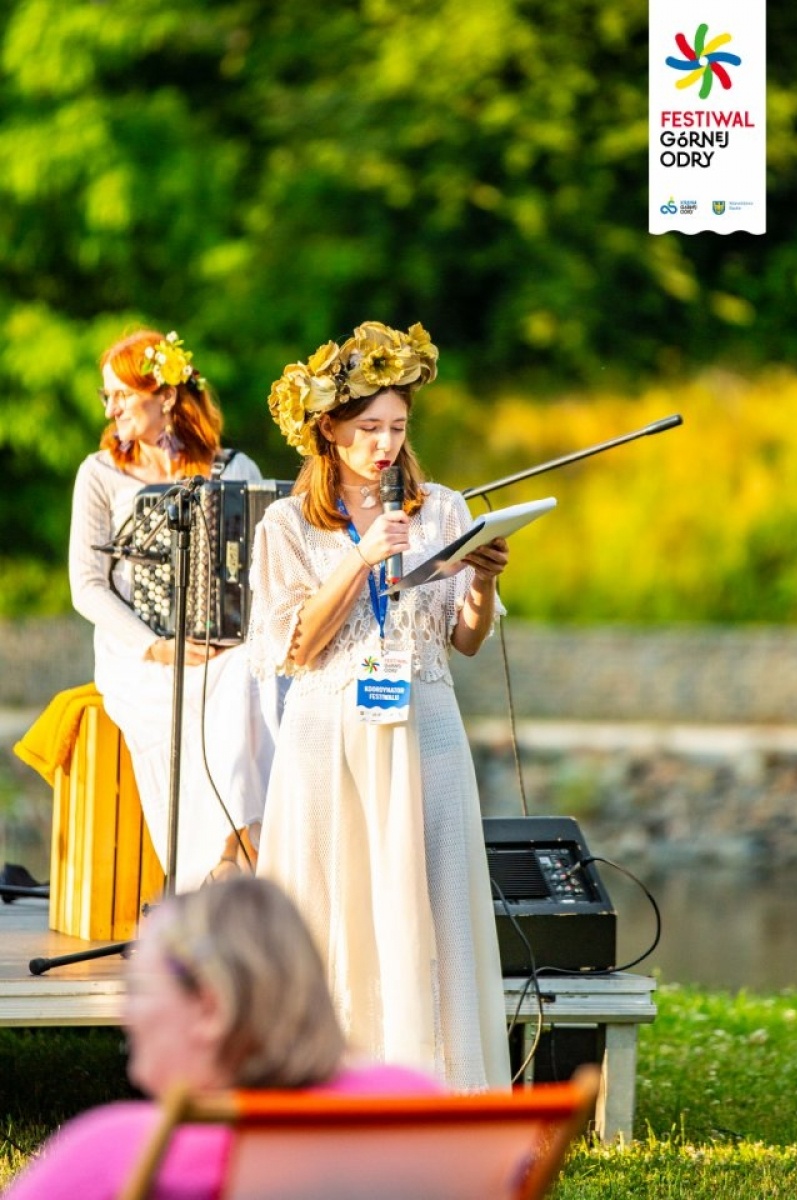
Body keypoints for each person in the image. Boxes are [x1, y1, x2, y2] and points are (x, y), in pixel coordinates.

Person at [248, 321, 512, 1091]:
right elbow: (294, 649)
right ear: (327, 431)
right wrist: (361, 559)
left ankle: (440, 1084)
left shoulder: (444, 508)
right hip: (328, 737)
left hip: (424, 725)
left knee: (432, 903)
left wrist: (486, 580)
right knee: (336, 909)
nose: (384, 445)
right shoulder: (288, 526)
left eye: (397, 428)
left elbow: (465, 641)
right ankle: (327, 1086)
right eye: (367, 429)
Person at [3, 877, 443, 1199]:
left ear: (211, 1008)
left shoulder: (115, 1154)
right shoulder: (414, 1107)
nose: (124, 1013)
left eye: (137, 990)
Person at [68, 328, 278, 891]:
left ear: (163, 395)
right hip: (137, 650)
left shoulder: (235, 468)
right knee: (192, 700)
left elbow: (263, 572)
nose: (110, 408)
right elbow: (87, 586)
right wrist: (157, 646)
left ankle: (230, 858)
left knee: (247, 680)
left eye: (120, 394)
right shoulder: (99, 474)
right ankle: (227, 866)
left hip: (223, 643)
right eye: (105, 396)